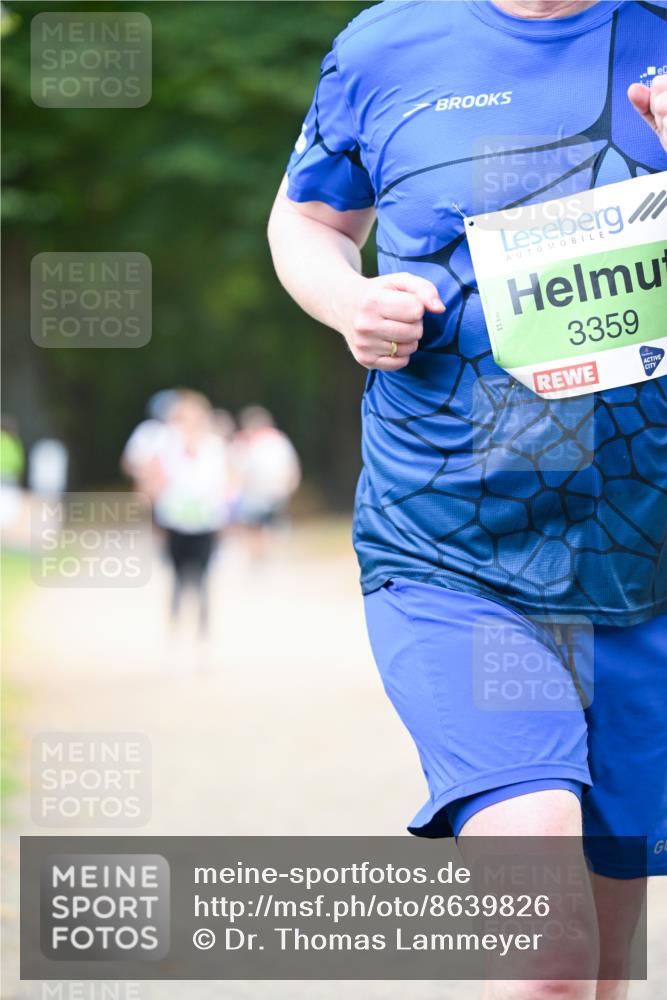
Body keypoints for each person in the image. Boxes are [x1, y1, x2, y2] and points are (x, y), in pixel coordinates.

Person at [268, 2, 667, 997]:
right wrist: (350, 298)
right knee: (547, 955)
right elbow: (307, 220)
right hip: (452, 545)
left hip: (640, 560)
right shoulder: (385, 46)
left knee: (604, 958)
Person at [231, 405, 301, 558]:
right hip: (267, 492)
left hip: (264, 492)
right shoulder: (278, 441)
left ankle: (263, 556)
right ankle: (265, 555)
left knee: (259, 527)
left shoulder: (255, 443)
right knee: (266, 526)